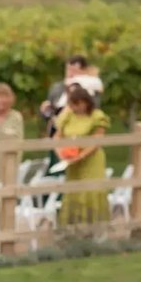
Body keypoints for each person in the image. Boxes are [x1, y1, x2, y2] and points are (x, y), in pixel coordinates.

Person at [56, 85, 110, 225]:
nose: (75, 108)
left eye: (77, 104)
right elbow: (57, 136)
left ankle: (94, 225)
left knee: (91, 191)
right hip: (71, 161)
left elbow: (97, 140)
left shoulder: (97, 116)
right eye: (72, 104)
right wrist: (61, 152)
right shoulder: (68, 116)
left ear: (85, 102)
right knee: (73, 192)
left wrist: (81, 155)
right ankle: (72, 225)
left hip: (91, 160)